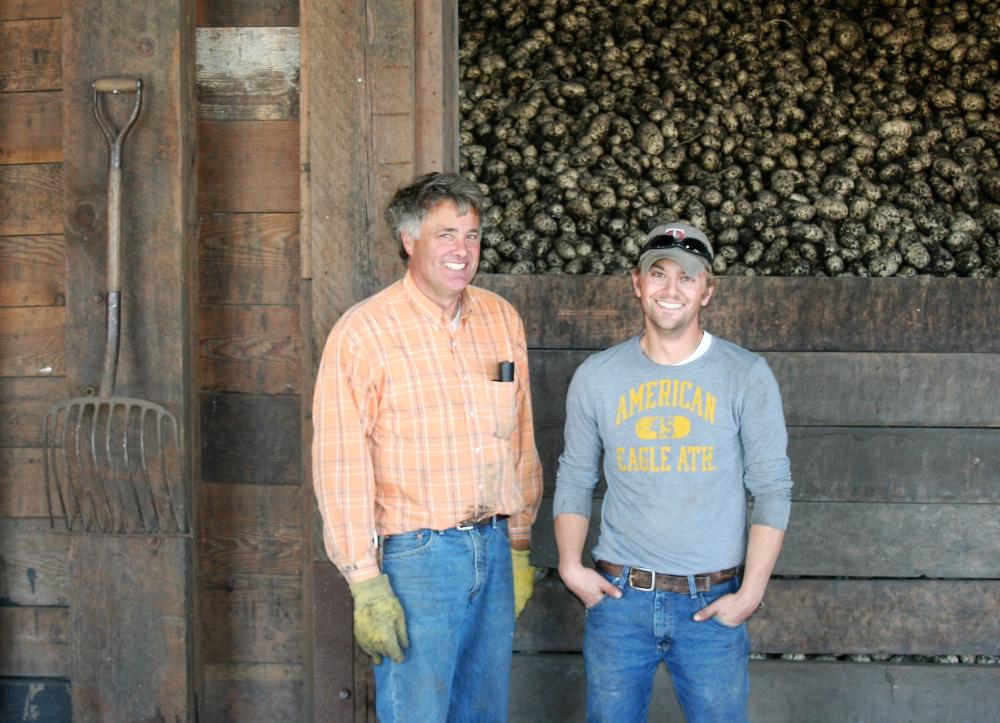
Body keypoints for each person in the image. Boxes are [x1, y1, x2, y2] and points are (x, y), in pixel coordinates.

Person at [312, 172, 543, 722]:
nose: (463, 250)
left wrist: (519, 545)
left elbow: (520, 439)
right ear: (410, 240)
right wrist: (365, 581)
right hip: (417, 559)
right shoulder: (363, 333)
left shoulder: (500, 319)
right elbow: (341, 464)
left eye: (472, 235)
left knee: (482, 712)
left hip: (492, 546)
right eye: (446, 235)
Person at [553, 221, 793, 722]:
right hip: (619, 602)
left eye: (687, 278)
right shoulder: (598, 376)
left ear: (707, 290)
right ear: (636, 284)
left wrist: (750, 593)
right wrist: (571, 566)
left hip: (712, 605)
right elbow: (576, 475)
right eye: (658, 274)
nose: (671, 289)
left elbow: (772, 489)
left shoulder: (745, 375)